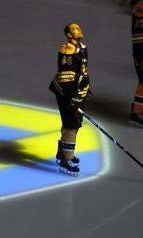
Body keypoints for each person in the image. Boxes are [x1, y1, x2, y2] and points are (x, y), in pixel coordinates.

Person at [49, 23, 90, 176]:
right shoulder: (68, 50)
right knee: (71, 125)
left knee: (74, 124)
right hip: (67, 93)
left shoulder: (82, 47)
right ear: (69, 35)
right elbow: (65, 76)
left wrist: (84, 88)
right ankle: (67, 160)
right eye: (75, 29)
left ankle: (63, 153)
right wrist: (72, 99)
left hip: (78, 92)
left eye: (80, 27)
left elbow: (82, 71)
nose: (80, 30)